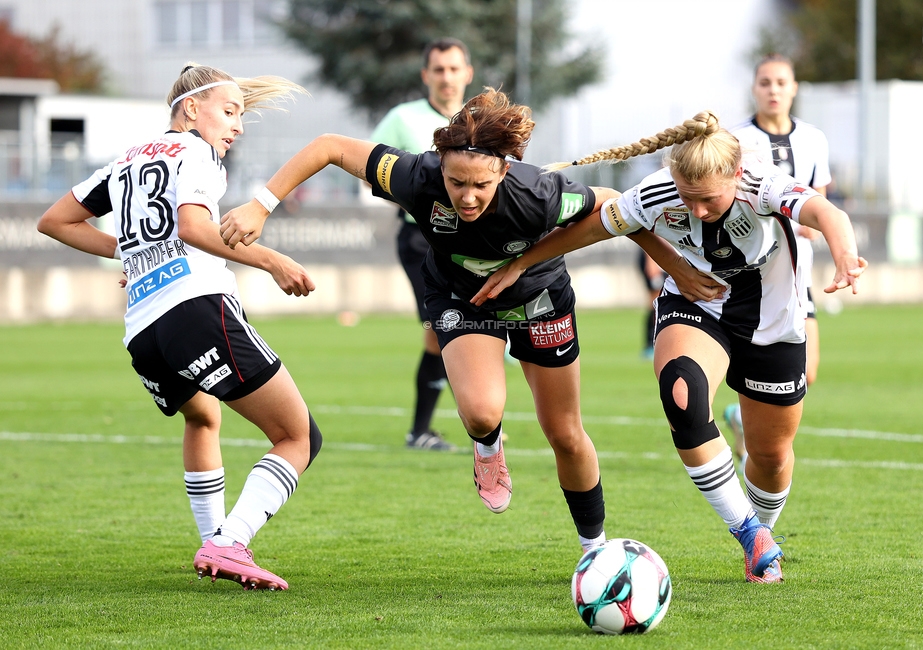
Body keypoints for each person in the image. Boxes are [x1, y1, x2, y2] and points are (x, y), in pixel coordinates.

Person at [472, 111, 867, 582]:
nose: (695, 210)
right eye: (686, 197)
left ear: (736, 177)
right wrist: (522, 264)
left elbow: (828, 213)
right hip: (698, 307)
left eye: (707, 200)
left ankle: (763, 531)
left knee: (771, 455)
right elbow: (596, 227)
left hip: (774, 322)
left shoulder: (762, 184)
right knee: (682, 394)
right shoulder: (658, 191)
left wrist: (845, 256)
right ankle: (748, 532)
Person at [220, 88, 615, 552]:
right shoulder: (415, 175)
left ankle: (597, 550)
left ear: (504, 170)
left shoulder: (539, 193)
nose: (467, 198)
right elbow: (329, 146)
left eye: (481, 186)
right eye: (456, 182)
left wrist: (525, 263)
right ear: (439, 167)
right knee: (482, 412)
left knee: (565, 434)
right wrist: (261, 204)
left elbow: (614, 208)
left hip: (538, 299)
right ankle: (487, 447)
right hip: (460, 296)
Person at [36, 63, 320, 591]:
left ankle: (217, 544)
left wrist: (126, 252)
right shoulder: (198, 152)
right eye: (230, 112)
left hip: (143, 330)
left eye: (240, 115)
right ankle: (229, 542)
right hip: (195, 307)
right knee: (297, 436)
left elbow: (53, 220)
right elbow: (193, 227)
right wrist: (271, 260)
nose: (236, 126)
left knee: (202, 419)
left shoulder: (125, 160)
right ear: (192, 108)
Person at [723, 53, 833, 466]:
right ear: (755, 88)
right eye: (766, 82)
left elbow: (820, 199)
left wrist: (811, 223)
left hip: (797, 271)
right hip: (750, 271)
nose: (773, 90)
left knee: (808, 371)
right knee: (752, 360)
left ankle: (738, 418)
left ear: (794, 89)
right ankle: (750, 426)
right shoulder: (735, 138)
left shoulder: (814, 138)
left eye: (781, 83)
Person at [369, 38, 474, 452]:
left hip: (471, 239)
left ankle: (470, 424)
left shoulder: (481, 119)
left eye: (453, 69)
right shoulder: (402, 119)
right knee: (439, 329)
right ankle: (420, 431)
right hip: (420, 239)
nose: (446, 77)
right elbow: (369, 169)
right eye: (439, 70)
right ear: (425, 75)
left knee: (469, 326)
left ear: (467, 72)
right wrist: (415, 193)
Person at [638, 251, 667, 360]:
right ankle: (650, 344)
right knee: (656, 303)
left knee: (660, 302)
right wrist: (651, 262)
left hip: (665, 259)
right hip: (655, 259)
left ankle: (658, 343)